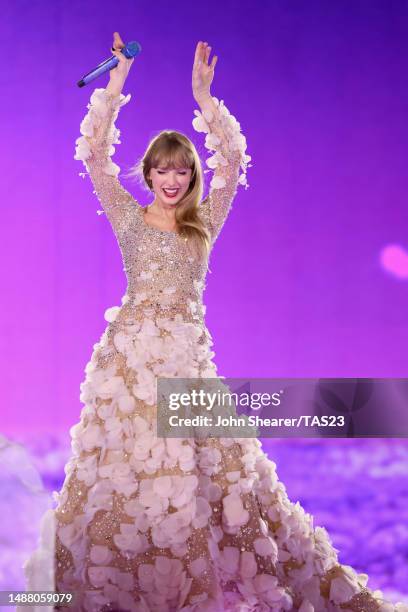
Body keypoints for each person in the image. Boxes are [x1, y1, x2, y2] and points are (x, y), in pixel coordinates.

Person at [23, 33, 407, 612]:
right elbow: (93, 155)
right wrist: (116, 82)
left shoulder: (205, 223)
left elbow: (233, 160)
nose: (172, 180)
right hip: (127, 368)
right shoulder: (127, 217)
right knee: (123, 482)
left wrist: (204, 96)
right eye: (162, 170)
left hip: (188, 366)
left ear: (189, 176)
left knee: (214, 480)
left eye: (181, 171)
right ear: (149, 174)